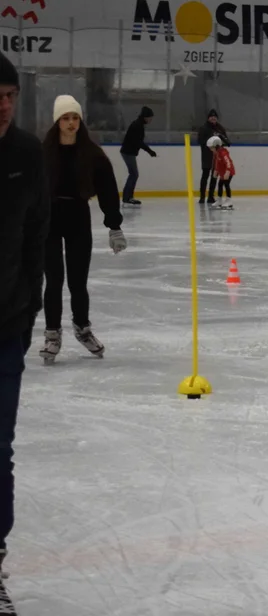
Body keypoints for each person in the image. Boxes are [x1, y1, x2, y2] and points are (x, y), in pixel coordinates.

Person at [0, 53, 49, 598]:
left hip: (5, 326)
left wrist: (27, 309)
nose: (5, 105)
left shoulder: (25, 153)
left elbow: (37, 233)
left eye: (10, 95)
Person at [39, 95, 127, 365]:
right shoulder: (43, 153)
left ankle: (82, 328)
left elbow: (108, 190)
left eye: (75, 117)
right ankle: (52, 334)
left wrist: (114, 226)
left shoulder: (92, 153)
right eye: (65, 118)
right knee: (53, 281)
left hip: (77, 215)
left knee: (78, 281)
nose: (71, 123)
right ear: (57, 121)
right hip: (49, 219)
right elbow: (28, 191)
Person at [120, 106, 156, 206]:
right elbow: (139, 142)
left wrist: (149, 151)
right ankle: (127, 198)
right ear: (145, 117)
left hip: (128, 152)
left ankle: (127, 197)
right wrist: (150, 151)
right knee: (134, 174)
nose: (150, 120)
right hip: (128, 152)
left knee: (133, 174)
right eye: (150, 117)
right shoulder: (138, 125)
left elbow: (138, 141)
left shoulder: (139, 124)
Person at [197, 109, 228, 205]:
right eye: (211, 117)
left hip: (218, 157)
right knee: (205, 175)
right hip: (207, 155)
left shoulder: (220, 128)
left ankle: (211, 196)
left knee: (214, 176)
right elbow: (200, 141)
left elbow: (226, 140)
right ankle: (202, 197)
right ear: (208, 118)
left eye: (215, 117)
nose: (213, 118)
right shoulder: (204, 128)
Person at [208, 136, 235, 210]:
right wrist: (216, 170)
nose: (210, 149)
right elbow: (217, 163)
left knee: (226, 184)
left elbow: (228, 162)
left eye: (211, 148)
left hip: (228, 171)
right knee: (220, 184)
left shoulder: (223, 152)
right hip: (223, 172)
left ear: (216, 146)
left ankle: (229, 200)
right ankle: (219, 200)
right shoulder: (216, 153)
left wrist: (228, 171)